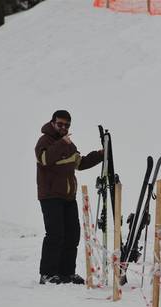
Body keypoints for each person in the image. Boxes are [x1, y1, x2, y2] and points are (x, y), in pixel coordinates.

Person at [35, 110, 104, 285]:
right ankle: (48, 274)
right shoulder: (45, 140)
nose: (64, 127)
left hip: (68, 197)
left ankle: (67, 272)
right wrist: (62, 143)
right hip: (50, 196)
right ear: (52, 123)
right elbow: (44, 159)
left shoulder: (69, 144)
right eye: (60, 124)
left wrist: (101, 155)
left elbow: (80, 163)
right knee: (55, 234)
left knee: (72, 235)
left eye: (67, 125)